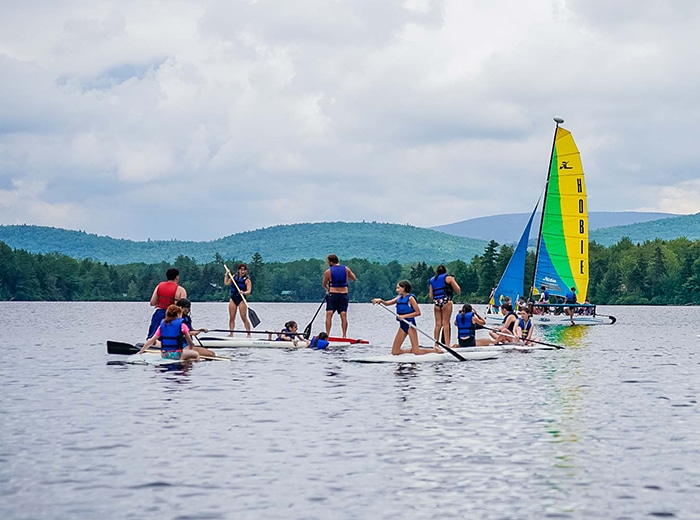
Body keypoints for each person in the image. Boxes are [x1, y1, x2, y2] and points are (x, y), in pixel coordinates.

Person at [371, 280, 442, 356]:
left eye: (398, 288)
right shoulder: (399, 298)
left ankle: (434, 350)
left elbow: (418, 312)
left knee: (417, 352)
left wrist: (404, 316)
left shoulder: (410, 298)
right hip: (402, 325)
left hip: (410, 325)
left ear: (404, 288)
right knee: (395, 351)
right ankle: (412, 350)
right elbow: (387, 303)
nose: (396, 290)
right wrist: (380, 301)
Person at [322, 254, 357, 338]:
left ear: (331, 262)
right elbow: (354, 278)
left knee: (329, 314)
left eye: (328, 262)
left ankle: (327, 334)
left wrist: (327, 290)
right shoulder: (346, 269)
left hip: (333, 295)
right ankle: (344, 335)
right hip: (343, 294)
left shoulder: (328, 272)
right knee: (343, 314)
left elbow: (324, 284)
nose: (328, 263)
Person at [147, 268, 187, 339]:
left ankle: (151, 344)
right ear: (177, 277)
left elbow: (152, 303)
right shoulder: (181, 290)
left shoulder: (159, 286)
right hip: (173, 316)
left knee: (153, 336)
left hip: (159, 314)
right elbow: (183, 308)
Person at [428, 265, 461, 348]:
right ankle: (447, 344)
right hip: (446, 302)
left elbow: (431, 296)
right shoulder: (449, 278)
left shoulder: (432, 280)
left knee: (438, 324)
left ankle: (436, 344)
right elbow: (458, 290)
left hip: (436, 303)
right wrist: (453, 280)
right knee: (446, 323)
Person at [224, 263, 252, 337]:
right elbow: (226, 283)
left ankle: (248, 334)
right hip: (233, 298)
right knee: (232, 317)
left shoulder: (247, 280)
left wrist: (243, 292)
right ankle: (231, 333)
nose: (242, 271)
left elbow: (249, 291)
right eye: (241, 270)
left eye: (244, 270)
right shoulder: (233, 277)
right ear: (239, 270)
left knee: (243, 317)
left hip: (241, 299)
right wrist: (226, 275)